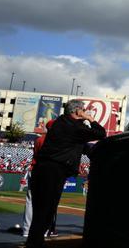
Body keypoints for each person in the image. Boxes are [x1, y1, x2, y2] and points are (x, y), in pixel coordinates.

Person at [26, 99, 105, 248]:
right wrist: (90, 118)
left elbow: (78, 142)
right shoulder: (74, 127)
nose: (85, 112)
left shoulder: (60, 122)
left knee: (42, 210)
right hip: (53, 170)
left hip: (44, 169)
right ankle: (34, 243)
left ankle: (35, 241)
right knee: (46, 210)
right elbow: (101, 133)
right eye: (83, 110)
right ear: (77, 111)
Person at [22, 119, 54, 238]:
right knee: (46, 202)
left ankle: (27, 230)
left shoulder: (39, 140)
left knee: (30, 201)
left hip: (35, 169)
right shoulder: (56, 141)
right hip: (48, 172)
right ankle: (43, 230)